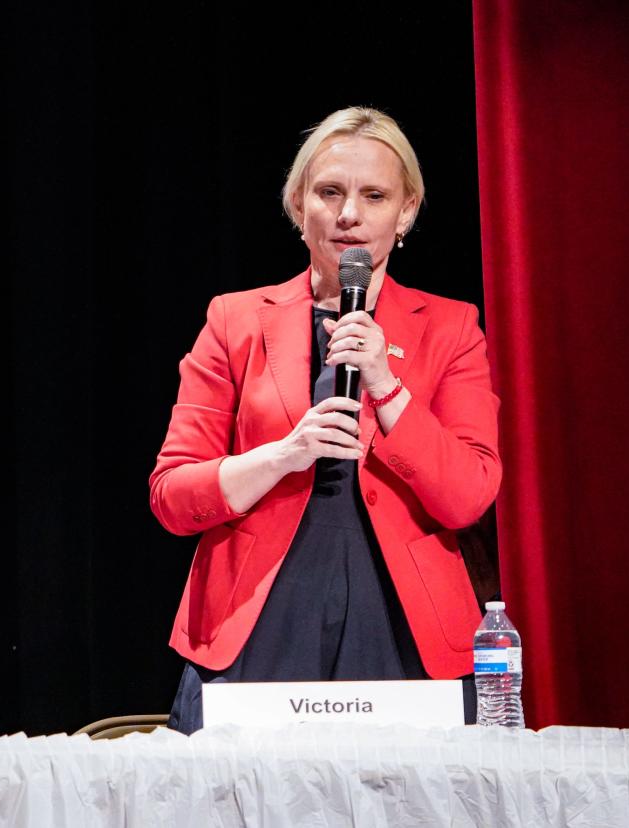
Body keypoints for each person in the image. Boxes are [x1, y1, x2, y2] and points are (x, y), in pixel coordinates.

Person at [149, 107, 501, 732]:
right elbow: (175, 496)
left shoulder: (451, 328)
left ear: (407, 213)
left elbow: (468, 497)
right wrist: (283, 454)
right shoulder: (234, 321)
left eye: (374, 195)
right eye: (330, 192)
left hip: (402, 621)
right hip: (256, 617)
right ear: (298, 206)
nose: (349, 215)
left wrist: (386, 388)